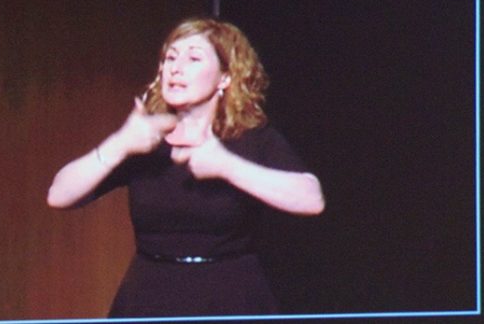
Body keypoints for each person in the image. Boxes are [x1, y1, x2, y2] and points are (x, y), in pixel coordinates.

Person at [47, 17, 323, 317]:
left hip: (231, 298)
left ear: (225, 78)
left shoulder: (250, 138)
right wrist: (120, 143)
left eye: (193, 58)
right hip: (149, 298)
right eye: (170, 58)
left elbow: (311, 199)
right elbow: (59, 195)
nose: (175, 68)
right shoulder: (145, 138)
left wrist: (226, 165)